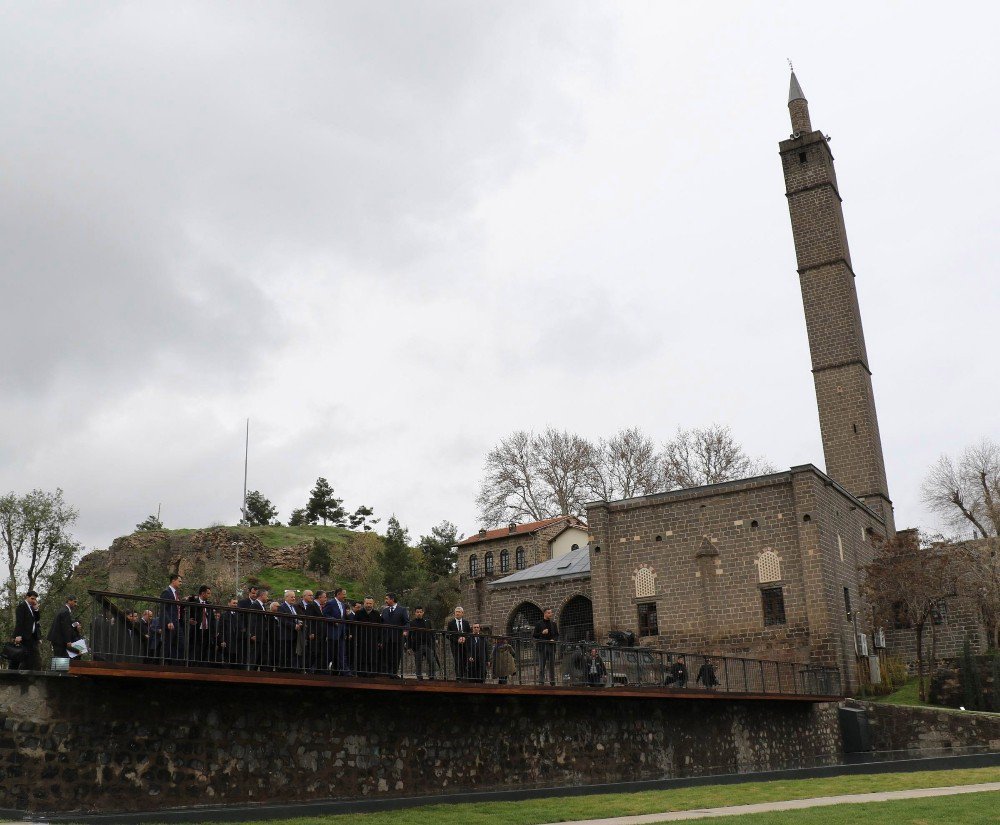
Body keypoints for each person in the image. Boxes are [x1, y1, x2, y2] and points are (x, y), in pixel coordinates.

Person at [322, 587, 351, 676]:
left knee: (341, 653)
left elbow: (343, 619)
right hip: (332, 633)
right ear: (338, 594)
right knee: (330, 653)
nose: (345, 596)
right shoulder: (330, 603)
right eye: (344, 594)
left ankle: (343, 671)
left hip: (341, 634)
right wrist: (334, 621)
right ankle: (323, 670)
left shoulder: (342, 604)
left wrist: (345, 632)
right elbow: (325, 614)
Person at [380, 593, 409, 678]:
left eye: (387, 599)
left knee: (396, 656)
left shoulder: (402, 610)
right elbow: (381, 623)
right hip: (386, 638)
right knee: (386, 656)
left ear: (392, 599)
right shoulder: (385, 611)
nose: (385, 601)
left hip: (397, 637)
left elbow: (407, 622)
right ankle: (388, 673)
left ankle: (393, 673)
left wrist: (405, 631)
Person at [351, 597, 382, 677]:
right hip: (361, 640)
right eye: (367, 603)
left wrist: (379, 640)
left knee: (373, 657)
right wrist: (355, 638)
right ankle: (361, 674)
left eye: (370, 603)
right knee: (361, 657)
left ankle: (372, 674)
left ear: (373, 604)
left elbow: (380, 628)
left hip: (373, 640)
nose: (369, 605)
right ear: (364, 603)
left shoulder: (376, 614)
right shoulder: (359, 613)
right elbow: (354, 627)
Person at [13, 591, 42, 670]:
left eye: (35, 599)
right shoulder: (22, 606)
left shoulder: (31, 608)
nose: (34, 601)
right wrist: (18, 635)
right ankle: (12, 673)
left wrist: (36, 610)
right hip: (23, 636)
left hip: (31, 636)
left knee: (32, 656)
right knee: (18, 655)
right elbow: (19, 622)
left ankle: (29, 675)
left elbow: (36, 620)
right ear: (27, 597)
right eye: (32, 598)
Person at [47, 595, 82, 661]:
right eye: (74, 602)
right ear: (69, 601)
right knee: (60, 660)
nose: (76, 604)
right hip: (59, 640)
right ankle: (59, 671)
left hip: (57, 639)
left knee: (60, 659)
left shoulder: (63, 610)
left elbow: (68, 625)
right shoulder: (65, 612)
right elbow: (65, 627)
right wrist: (68, 641)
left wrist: (76, 625)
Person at [158, 574, 184, 663]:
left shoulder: (176, 594)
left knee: (180, 644)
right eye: (179, 581)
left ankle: (174, 665)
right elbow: (163, 609)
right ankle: (163, 665)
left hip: (177, 623)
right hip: (170, 623)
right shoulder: (166, 592)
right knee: (167, 645)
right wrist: (168, 621)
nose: (181, 583)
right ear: (173, 581)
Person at [277, 590, 304, 670]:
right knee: (284, 655)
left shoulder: (294, 607)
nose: (293, 598)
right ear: (286, 597)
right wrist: (294, 626)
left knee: (292, 654)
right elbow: (282, 620)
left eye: (294, 597)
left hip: (294, 635)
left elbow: (295, 618)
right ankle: (282, 671)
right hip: (285, 635)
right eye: (292, 597)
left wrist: (299, 623)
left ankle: (290, 670)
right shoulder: (282, 607)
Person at [189, 585, 216, 665]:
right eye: (208, 593)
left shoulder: (209, 605)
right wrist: (189, 620)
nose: (209, 595)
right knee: (195, 651)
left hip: (207, 631)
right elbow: (187, 615)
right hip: (196, 631)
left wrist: (213, 631)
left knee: (205, 651)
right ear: (203, 593)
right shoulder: (194, 603)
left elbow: (213, 619)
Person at [532, 608, 559, 686]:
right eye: (549, 613)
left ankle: (552, 682)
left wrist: (554, 639)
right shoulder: (539, 624)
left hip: (551, 646)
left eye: (551, 612)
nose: (551, 614)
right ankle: (541, 682)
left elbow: (557, 634)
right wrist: (542, 633)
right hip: (542, 647)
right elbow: (534, 635)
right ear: (545, 614)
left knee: (551, 665)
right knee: (541, 665)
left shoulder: (553, 624)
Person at [408, 606, 436, 680]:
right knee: (418, 663)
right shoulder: (412, 623)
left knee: (432, 661)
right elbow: (409, 635)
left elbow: (431, 633)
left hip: (427, 645)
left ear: (423, 613)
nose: (419, 613)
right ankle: (419, 677)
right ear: (415, 613)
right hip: (417, 646)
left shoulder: (427, 621)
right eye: (417, 612)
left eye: (420, 612)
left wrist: (434, 643)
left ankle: (431, 676)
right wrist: (409, 647)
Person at [300, 590, 324, 673]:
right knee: (312, 652)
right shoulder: (311, 605)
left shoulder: (320, 606)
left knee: (317, 652)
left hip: (319, 634)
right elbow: (308, 619)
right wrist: (310, 632)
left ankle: (313, 669)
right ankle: (308, 669)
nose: (326, 599)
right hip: (313, 634)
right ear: (320, 597)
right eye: (324, 597)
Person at [445, 606, 470, 682]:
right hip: (455, 646)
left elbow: (469, 633)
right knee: (457, 661)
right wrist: (457, 640)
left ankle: (465, 677)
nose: (457, 613)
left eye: (459, 612)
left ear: (462, 613)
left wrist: (465, 638)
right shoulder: (451, 623)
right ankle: (458, 678)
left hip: (465, 645)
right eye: (456, 612)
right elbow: (448, 635)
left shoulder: (466, 623)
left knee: (465, 660)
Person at [218, 598, 243, 666]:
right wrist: (222, 640)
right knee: (227, 662)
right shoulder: (224, 615)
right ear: (229, 603)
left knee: (237, 664)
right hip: (228, 642)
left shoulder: (239, 616)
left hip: (237, 643)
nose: (235, 605)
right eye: (234, 603)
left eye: (236, 603)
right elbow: (221, 629)